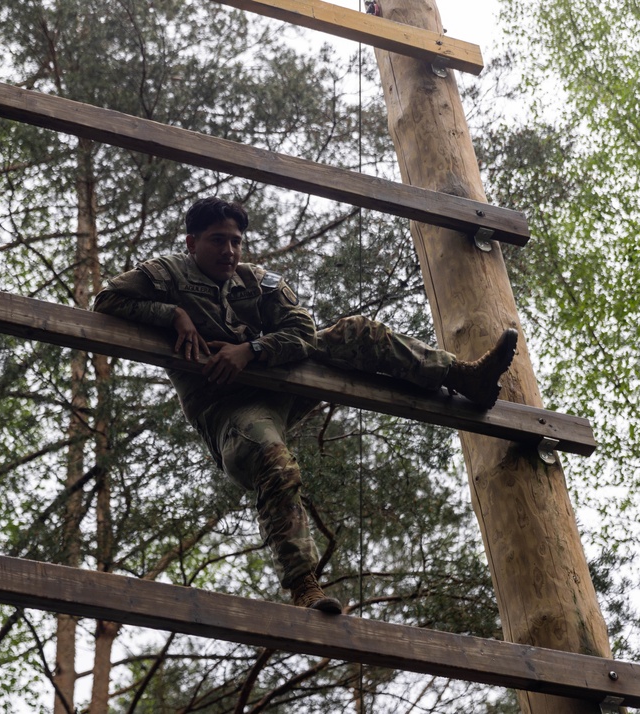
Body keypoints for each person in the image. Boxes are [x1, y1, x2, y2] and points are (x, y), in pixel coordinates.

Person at [93, 197, 517, 614]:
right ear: (191, 243)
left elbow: (303, 330)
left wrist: (251, 350)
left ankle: (463, 377)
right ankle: (304, 585)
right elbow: (108, 300)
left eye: (236, 241)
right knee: (273, 460)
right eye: (217, 240)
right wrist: (173, 315)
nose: (229, 250)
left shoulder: (256, 280)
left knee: (357, 332)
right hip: (229, 411)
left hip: (282, 380)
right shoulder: (166, 274)